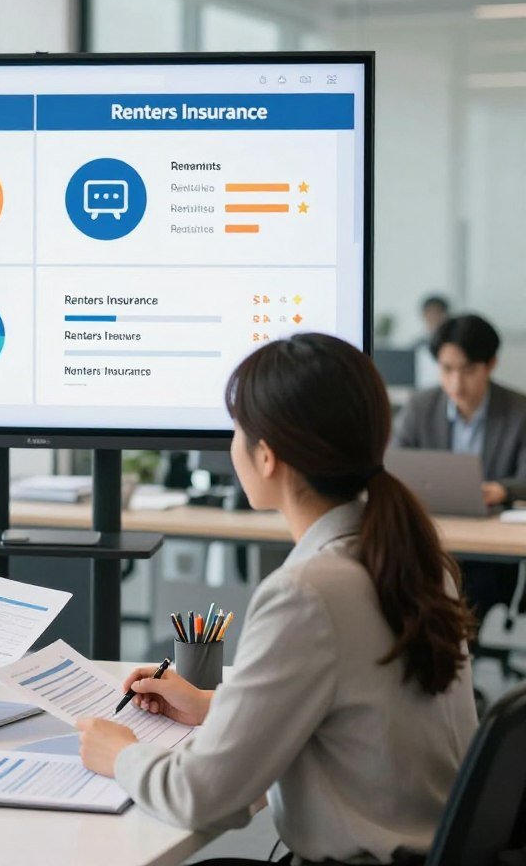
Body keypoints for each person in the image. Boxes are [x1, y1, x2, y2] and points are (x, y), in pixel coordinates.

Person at [76, 333, 477, 865]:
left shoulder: (308, 592)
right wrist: (210, 705)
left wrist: (120, 754)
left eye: (238, 428)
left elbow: (204, 797)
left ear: (267, 456)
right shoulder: (414, 558)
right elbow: (359, 708)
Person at [394, 313, 526, 632]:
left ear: (490, 365)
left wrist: (502, 491)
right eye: (447, 370)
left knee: (464, 599)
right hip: (430, 541)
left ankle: (452, 666)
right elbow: (393, 466)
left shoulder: (519, 411)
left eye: (468, 371)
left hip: (489, 555)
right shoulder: (419, 407)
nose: (456, 383)